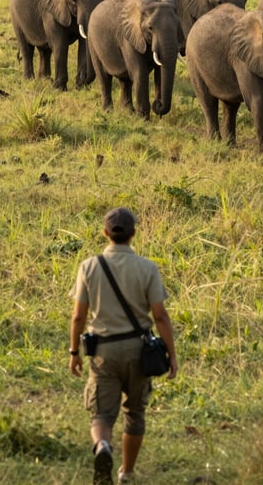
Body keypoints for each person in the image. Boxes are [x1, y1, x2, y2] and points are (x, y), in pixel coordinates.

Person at [69, 207, 179, 485]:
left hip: (103, 351)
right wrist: (172, 356)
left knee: (101, 414)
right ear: (134, 234)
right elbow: (160, 316)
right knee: (135, 413)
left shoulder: (89, 266)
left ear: (105, 233)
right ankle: (127, 473)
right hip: (139, 350)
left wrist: (74, 352)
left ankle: (102, 446)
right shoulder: (147, 267)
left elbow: (78, 316)